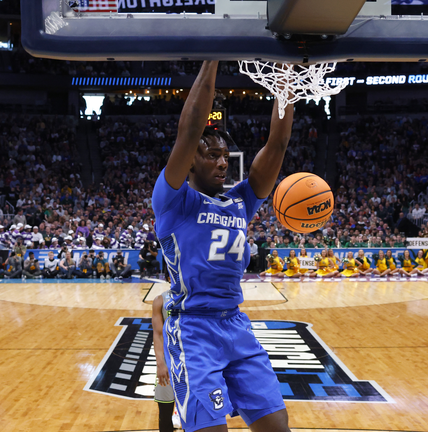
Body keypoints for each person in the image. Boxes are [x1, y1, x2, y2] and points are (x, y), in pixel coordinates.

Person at [150, 61, 292, 432]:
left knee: (278, 427)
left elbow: (277, 144)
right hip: (193, 329)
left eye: (225, 156)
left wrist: (287, 84)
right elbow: (190, 128)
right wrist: (213, 55)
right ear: (190, 161)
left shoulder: (241, 202)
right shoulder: (173, 202)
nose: (221, 162)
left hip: (235, 324)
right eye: (211, 154)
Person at [151, 291, 176, 432]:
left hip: (192, 362)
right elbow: (158, 334)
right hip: (168, 361)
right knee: (165, 415)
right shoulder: (160, 300)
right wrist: (160, 364)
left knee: (193, 416)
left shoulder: (195, 295)